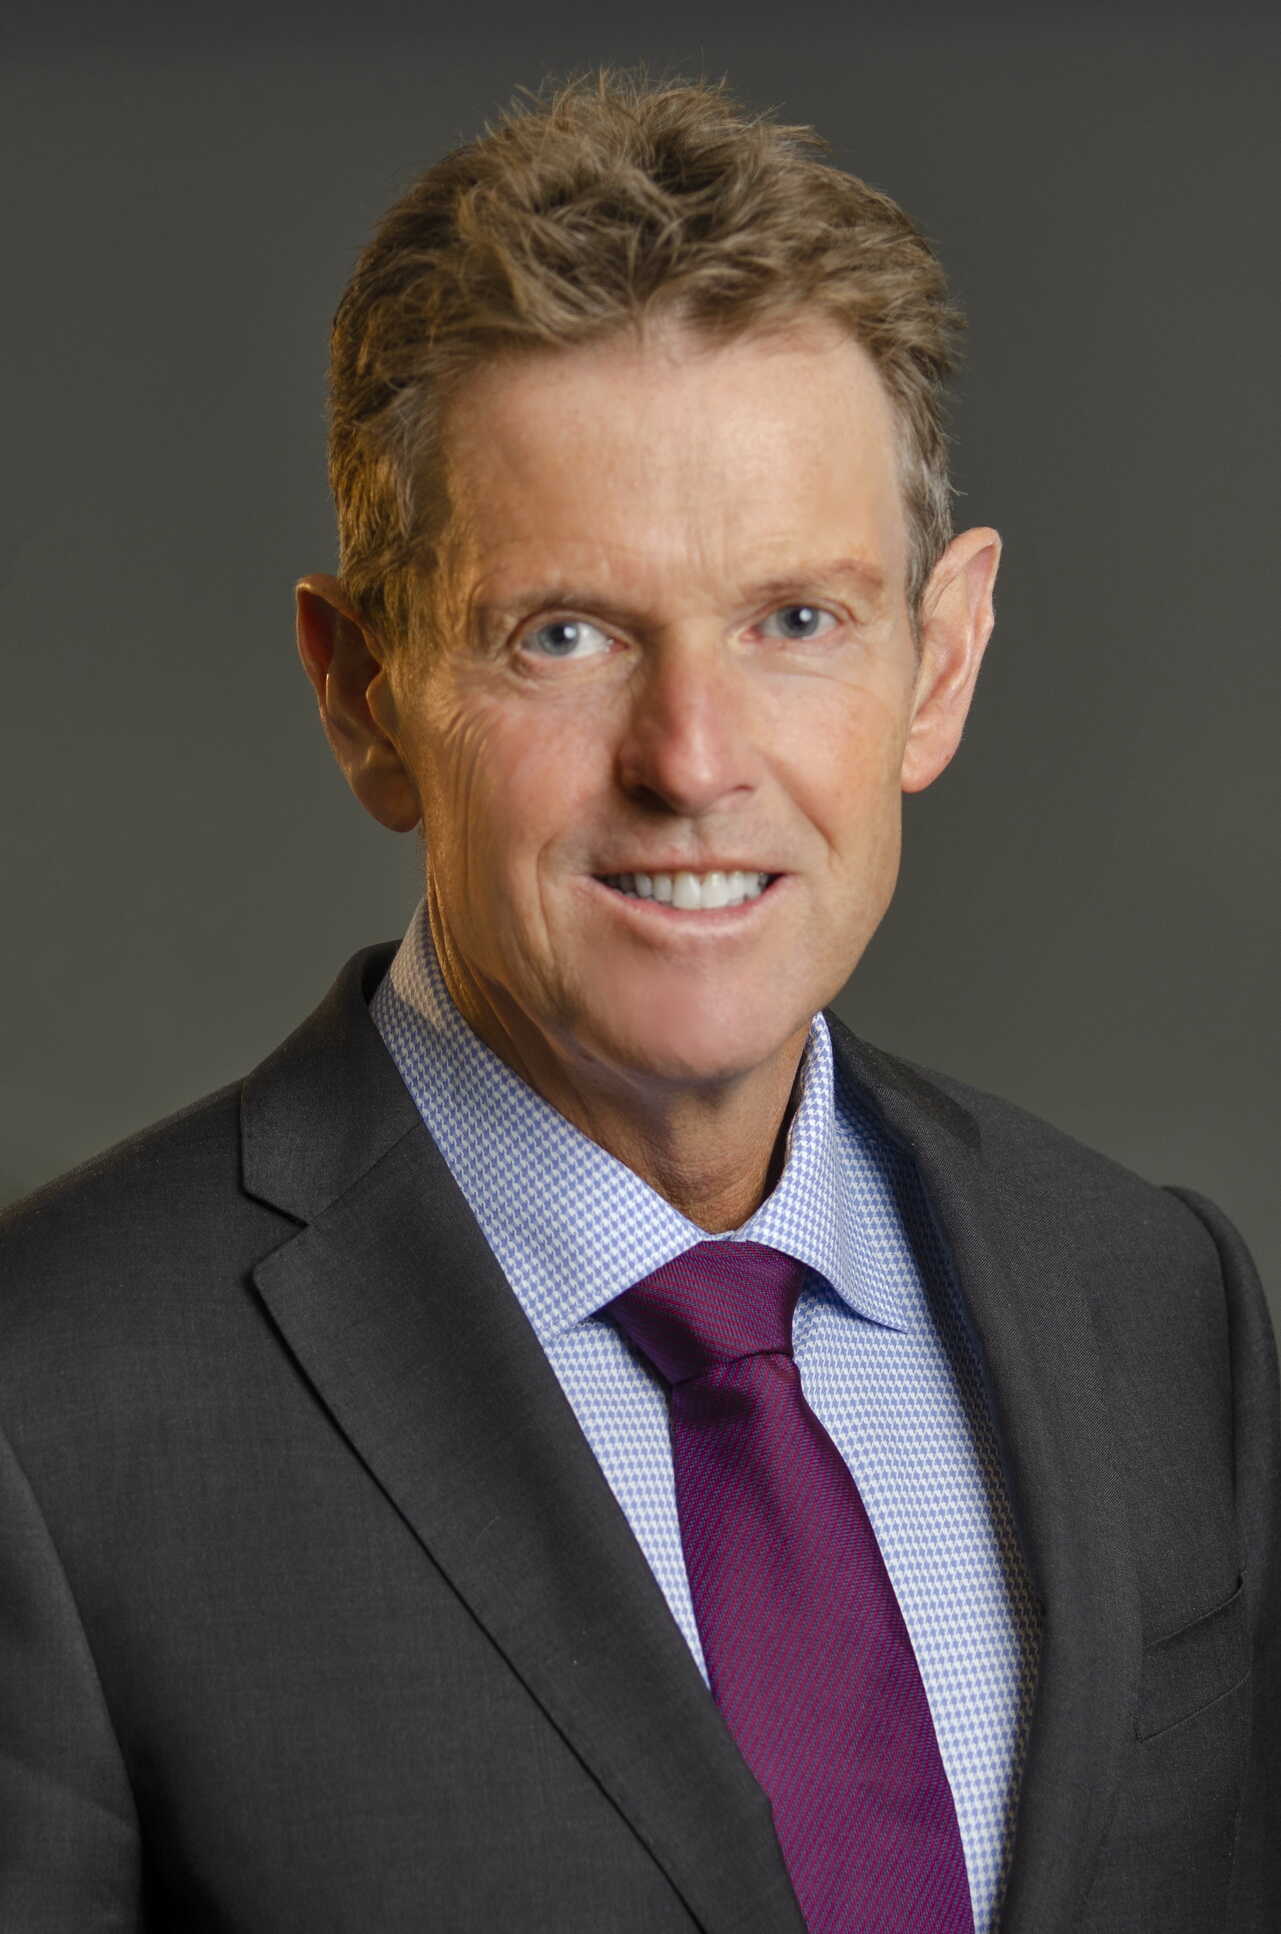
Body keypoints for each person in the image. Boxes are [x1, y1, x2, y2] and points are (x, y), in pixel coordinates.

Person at [0, 67, 1275, 1934]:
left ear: (938, 664)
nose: (689, 760)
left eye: (794, 620)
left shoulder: (1157, 1308)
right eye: (566, 634)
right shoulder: (50, 1409)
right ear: (363, 694)